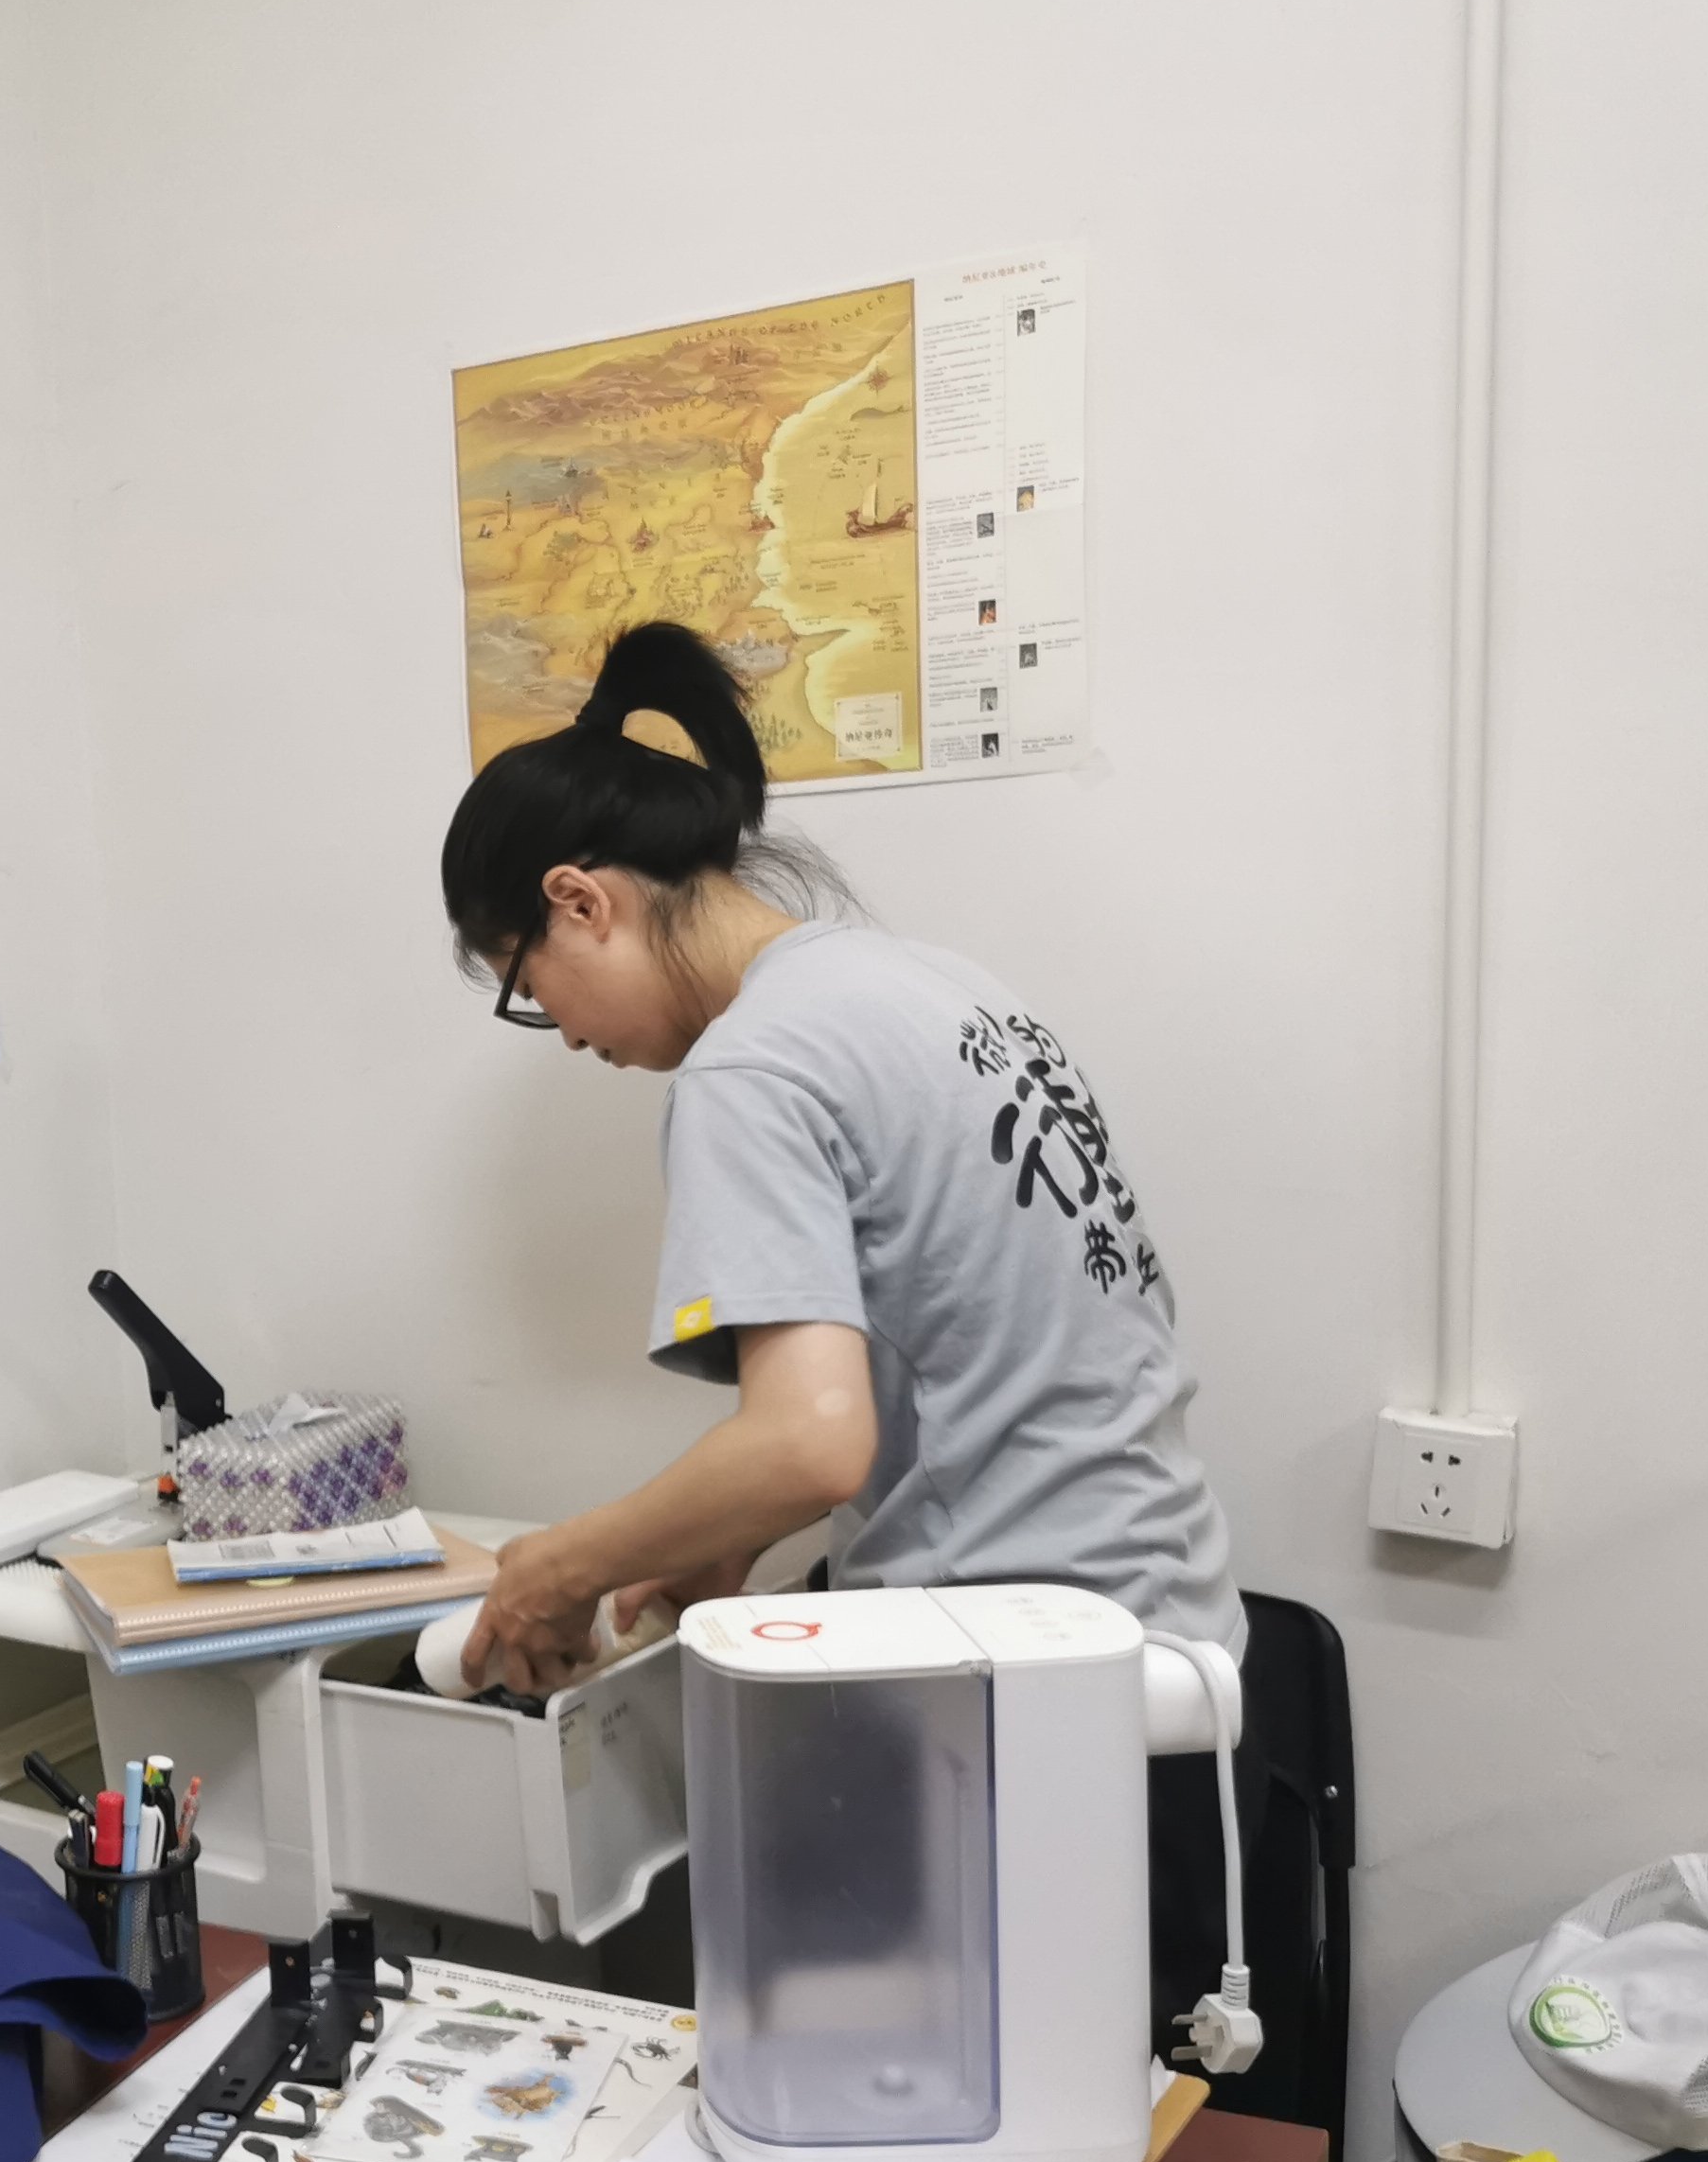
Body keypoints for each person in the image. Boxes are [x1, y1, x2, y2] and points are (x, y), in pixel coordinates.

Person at [442, 621, 1256, 2047]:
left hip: (1013, 1714)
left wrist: (559, 1566)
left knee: (958, 2134)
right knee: (1122, 2134)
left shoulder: (750, 1068)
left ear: (579, 903)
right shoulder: (932, 987)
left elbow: (813, 1441)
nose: (561, 1031)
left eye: (524, 983)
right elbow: (961, 1349)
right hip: (1165, 1650)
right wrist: (725, 1541)